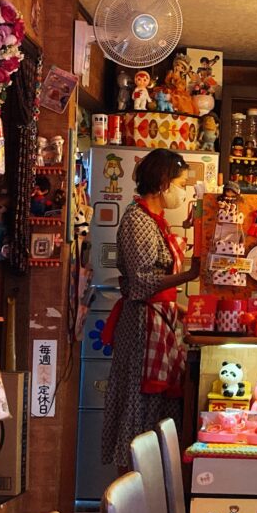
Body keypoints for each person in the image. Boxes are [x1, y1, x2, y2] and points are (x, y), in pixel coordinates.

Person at [101, 149, 200, 471]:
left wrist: (180, 309)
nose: (182, 192)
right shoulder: (137, 220)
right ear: (162, 182)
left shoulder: (155, 221)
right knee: (138, 402)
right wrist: (189, 274)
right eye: (180, 184)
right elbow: (142, 283)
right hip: (141, 326)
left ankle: (151, 479)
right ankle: (131, 481)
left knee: (154, 405)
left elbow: (158, 286)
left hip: (158, 319)